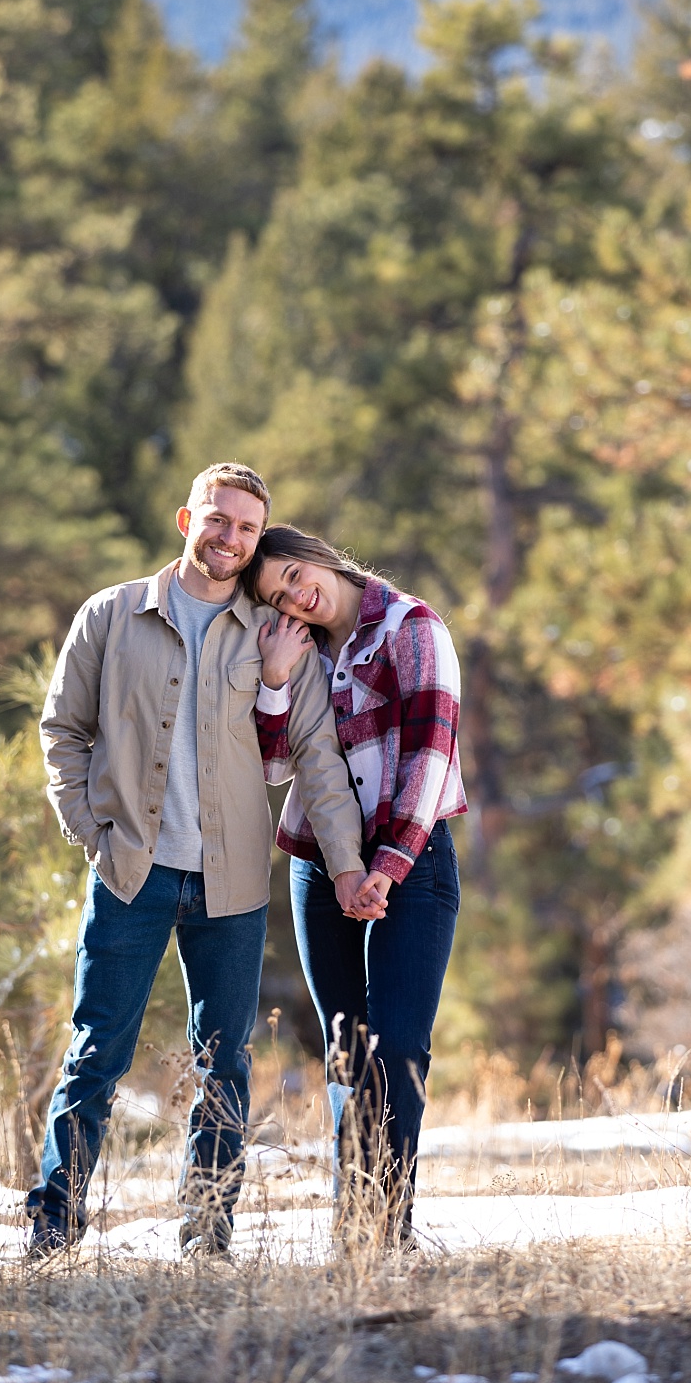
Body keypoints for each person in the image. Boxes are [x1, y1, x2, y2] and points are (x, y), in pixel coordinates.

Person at [29, 466, 367, 1260]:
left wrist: (348, 865)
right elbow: (62, 733)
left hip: (233, 885)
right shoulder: (111, 616)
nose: (229, 538)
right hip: (132, 876)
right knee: (95, 1056)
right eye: (218, 520)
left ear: (257, 541)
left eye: (247, 529)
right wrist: (94, 834)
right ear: (188, 517)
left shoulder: (276, 635)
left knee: (225, 1066)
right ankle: (54, 1230)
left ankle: (206, 1237)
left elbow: (316, 758)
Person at [245, 526, 466, 1250]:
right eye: (278, 595)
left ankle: (386, 1230)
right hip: (317, 863)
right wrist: (274, 679)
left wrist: (389, 866)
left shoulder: (411, 627)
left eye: (293, 573)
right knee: (347, 1049)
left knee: (397, 1046)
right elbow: (275, 768)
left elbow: (432, 754)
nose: (295, 594)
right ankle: (353, 1226)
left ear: (317, 555)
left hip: (412, 857)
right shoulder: (297, 650)